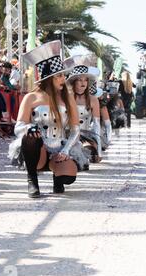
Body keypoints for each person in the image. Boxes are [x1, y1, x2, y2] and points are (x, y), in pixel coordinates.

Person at [8, 40, 88, 198]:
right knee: (29, 138)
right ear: (48, 78)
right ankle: (32, 180)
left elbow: (75, 129)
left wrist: (65, 151)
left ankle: (57, 179)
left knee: (69, 177)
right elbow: (18, 127)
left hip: (59, 148)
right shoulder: (31, 98)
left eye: (64, 76)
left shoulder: (68, 98)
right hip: (38, 149)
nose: (63, 80)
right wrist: (29, 129)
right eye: (59, 76)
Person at [64, 55, 103, 166]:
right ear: (73, 82)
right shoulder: (66, 98)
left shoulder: (93, 100)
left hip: (85, 135)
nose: (83, 83)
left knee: (90, 151)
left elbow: (96, 125)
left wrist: (99, 150)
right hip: (67, 135)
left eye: (85, 80)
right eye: (79, 80)